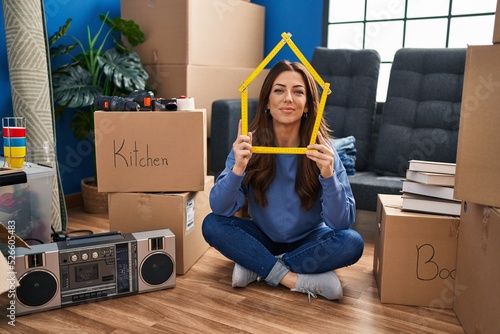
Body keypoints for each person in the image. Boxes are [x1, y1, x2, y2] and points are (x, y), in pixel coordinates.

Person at [202, 60, 364, 301]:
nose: (288, 98)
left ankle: (257, 266)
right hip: (262, 236)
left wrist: (328, 176)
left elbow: (341, 222)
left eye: (298, 92)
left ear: (308, 105)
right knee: (212, 224)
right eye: (279, 90)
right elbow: (221, 208)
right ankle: (293, 278)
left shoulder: (324, 151)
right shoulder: (248, 144)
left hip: (310, 239)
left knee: (352, 242)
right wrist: (238, 167)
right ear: (267, 102)